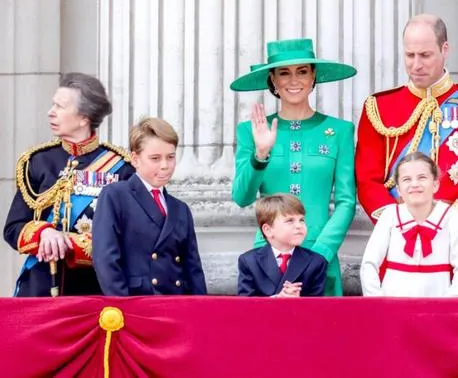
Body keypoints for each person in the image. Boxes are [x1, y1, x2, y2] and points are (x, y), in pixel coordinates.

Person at [355, 14, 458, 296]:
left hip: (453, 249)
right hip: (396, 249)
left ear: (445, 50)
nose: (416, 64)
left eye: (425, 55)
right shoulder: (379, 107)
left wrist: (445, 226)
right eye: (409, 55)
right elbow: (367, 180)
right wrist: (399, 225)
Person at [230, 38, 356, 296]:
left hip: (320, 255)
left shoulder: (340, 131)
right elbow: (242, 197)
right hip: (268, 260)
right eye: (284, 73)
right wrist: (260, 153)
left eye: (302, 71)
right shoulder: (251, 131)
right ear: (273, 80)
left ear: (313, 76)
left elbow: (346, 201)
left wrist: (321, 253)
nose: (294, 80)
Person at [3, 73, 135, 297]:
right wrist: (43, 233)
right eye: (53, 104)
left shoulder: (122, 169)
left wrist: (71, 243)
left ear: (84, 118)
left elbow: (130, 238)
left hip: (93, 291)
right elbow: (13, 228)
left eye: (60, 106)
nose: (50, 112)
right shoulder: (38, 161)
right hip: (40, 289)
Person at [93, 117, 207, 296]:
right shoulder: (115, 196)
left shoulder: (180, 209)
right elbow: (106, 260)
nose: (165, 166)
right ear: (135, 159)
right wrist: (123, 306)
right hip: (137, 302)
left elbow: (193, 269)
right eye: (155, 158)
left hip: (175, 303)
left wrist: (199, 307)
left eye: (170, 157)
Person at [360, 152, 458, 297]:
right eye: (406, 179)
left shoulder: (451, 216)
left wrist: (449, 304)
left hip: (438, 303)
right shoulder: (390, 216)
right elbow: (369, 264)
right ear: (398, 189)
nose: (414, 184)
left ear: (435, 184)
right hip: (393, 304)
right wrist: (378, 301)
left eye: (422, 177)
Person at [237, 193, 328, 297]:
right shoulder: (249, 261)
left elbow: (317, 303)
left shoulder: (316, 262)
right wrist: (277, 299)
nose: (299, 225)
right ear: (268, 230)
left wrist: (299, 301)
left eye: (301, 220)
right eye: (290, 221)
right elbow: (245, 303)